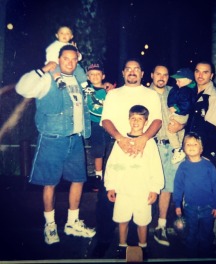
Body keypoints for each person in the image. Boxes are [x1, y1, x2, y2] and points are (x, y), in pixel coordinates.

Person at [15, 45, 96, 245]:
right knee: (50, 183)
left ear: (77, 60)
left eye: (73, 59)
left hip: (75, 138)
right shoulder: (47, 78)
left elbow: (91, 97)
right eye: (65, 58)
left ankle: (72, 222)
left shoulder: (78, 79)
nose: (69, 62)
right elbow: (21, 88)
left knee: (78, 180)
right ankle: (50, 226)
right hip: (52, 139)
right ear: (58, 59)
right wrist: (42, 69)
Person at [92, 58, 162, 258]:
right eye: (128, 69)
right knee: (108, 196)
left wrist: (144, 138)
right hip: (118, 145)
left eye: (136, 69)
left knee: (142, 197)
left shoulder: (151, 95)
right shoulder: (113, 95)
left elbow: (157, 119)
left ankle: (141, 245)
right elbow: (106, 119)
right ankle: (105, 240)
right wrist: (120, 138)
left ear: (142, 73)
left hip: (144, 145)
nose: (132, 72)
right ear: (123, 73)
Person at [104, 105, 164, 259]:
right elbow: (112, 165)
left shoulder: (150, 143)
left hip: (142, 191)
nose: (136, 121)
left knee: (142, 222)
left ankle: (143, 246)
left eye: (140, 119)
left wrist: (154, 189)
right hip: (123, 190)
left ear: (146, 122)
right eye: (133, 118)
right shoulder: (121, 142)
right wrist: (110, 186)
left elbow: (156, 167)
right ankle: (122, 246)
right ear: (128, 120)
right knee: (122, 220)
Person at [185, 61, 216, 244]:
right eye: (198, 71)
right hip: (194, 155)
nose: (200, 75)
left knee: (208, 199)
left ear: (212, 75)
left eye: (205, 72)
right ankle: (196, 236)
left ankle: (212, 238)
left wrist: (204, 159)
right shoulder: (196, 93)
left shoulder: (215, 98)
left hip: (206, 157)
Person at [149, 64, 184, 247]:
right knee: (149, 185)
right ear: (152, 75)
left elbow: (188, 113)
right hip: (152, 147)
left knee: (168, 187)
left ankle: (160, 226)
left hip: (173, 147)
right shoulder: (144, 93)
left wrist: (181, 126)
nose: (161, 77)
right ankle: (140, 226)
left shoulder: (176, 92)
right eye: (158, 74)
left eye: (165, 74)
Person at [173, 132, 216, 258]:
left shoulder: (208, 166)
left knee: (206, 235)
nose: (191, 146)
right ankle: (191, 257)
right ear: (184, 149)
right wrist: (177, 204)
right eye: (188, 144)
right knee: (191, 235)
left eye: (195, 144)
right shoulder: (183, 167)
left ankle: (205, 256)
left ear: (201, 149)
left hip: (208, 208)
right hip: (190, 208)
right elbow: (178, 186)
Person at [82, 62, 114, 191]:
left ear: (103, 76)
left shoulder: (109, 91)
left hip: (109, 123)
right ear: (87, 76)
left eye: (98, 74)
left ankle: (110, 178)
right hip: (95, 124)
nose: (95, 76)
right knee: (98, 152)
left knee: (110, 151)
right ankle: (98, 177)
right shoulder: (85, 90)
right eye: (91, 74)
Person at [167, 68, 196, 164]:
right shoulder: (181, 89)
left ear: (188, 80)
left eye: (179, 80)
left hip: (180, 113)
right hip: (179, 114)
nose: (176, 82)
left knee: (170, 129)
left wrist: (176, 108)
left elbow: (186, 105)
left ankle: (177, 149)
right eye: (176, 80)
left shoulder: (186, 91)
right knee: (179, 132)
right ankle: (180, 148)